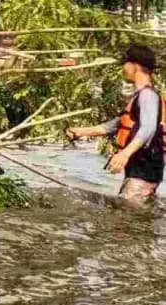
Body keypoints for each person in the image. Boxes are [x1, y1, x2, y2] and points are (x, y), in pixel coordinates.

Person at [66, 44, 164, 204]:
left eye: (125, 64)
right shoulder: (139, 97)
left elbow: (148, 128)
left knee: (128, 217)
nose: (123, 68)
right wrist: (80, 131)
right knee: (131, 214)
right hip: (138, 170)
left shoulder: (147, 95)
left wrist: (124, 154)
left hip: (144, 170)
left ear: (135, 65)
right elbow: (113, 126)